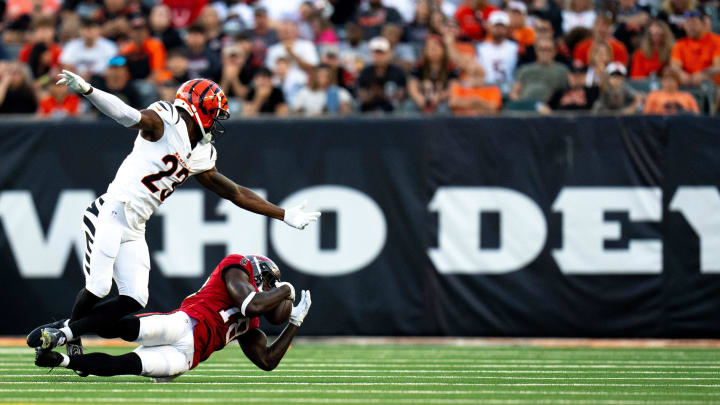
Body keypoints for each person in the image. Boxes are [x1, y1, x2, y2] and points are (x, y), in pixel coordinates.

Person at [26, 71, 320, 374]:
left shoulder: (201, 151)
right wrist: (88, 90)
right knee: (100, 286)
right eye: (214, 114)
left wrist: (283, 214)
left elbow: (233, 192)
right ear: (200, 109)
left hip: (136, 223)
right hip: (111, 210)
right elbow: (127, 114)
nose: (216, 122)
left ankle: (65, 330)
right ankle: (69, 337)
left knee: (135, 298)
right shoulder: (167, 120)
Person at [34, 254, 312, 381]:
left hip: (186, 358)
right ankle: (66, 331)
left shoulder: (251, 327)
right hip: (183, 323)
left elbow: (266, 361)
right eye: (269, 284)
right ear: (258, 273)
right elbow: (251, 303)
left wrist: (293, 323)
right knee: (123, 328)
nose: (273, 290)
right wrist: (286, 289)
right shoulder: (236, 267)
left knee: (126, 365)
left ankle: (62, 360)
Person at [408, 36, 459, 114]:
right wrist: (418, 97)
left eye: (435, 49)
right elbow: (412, 85)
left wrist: (439, 97)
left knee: (444, 109)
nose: (433, 52)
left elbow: (453, 87)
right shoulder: (419, 65)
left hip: (442, 99)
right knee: (409, 107)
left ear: (443, 50)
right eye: (430, 49)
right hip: (423, 97)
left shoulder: (450, 66)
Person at [669, 10, 720, 87]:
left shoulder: (716, 41)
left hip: (713, 85)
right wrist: (681, 74)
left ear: (703, 25)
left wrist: (703, 74)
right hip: (687, 84)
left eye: (694, 23)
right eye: (687, 23)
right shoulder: (680, 44)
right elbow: (675, 66)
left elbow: (717, 67)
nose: (690, 26)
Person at [510, 38, 569, 102]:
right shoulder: (525, 69)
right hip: (527, 106)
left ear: (554, 51)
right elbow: (514, 92)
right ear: (536, 51)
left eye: (548, 49)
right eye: (541, 49)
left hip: (552, 107)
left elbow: (568, 92)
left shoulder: (562, 70)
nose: (545, 52)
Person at [357, 36, 407, 112]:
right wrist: (373, 95)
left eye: (382, 53)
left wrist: (381, 94)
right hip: (368, 110)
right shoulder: (365, 72)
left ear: (388, 53)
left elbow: (401, 95)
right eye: (376, 53)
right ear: (372, 54)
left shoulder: (397, 71)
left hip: (393, 112)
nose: (379, 56)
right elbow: (362, 96)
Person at [265, 20, 319, 87]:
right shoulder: (273, 49)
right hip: (279, 85)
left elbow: (313, 68)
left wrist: (293, 54)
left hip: (302, 83)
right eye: (284, 31)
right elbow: (269, 70)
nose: (286, 34)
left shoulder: (307, 45)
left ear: (296, 32)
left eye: (289, 31)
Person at [476, 11, 518, 88]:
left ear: (507, 28)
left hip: (509, 88)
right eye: (496, 26)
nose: (499, 29)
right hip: (487, 88)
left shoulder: (515, 48)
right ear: (490, 27)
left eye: (502, 26)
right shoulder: (481, 48)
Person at [120, 16, 167, 82]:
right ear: (129, 33)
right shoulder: (126, 49)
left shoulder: (155, 45)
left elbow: (157, 71)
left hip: (152, 82)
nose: (138, 33)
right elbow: (122, 72)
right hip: (132, 82)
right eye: (135, 30)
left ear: (147, 32)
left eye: (142, 30)